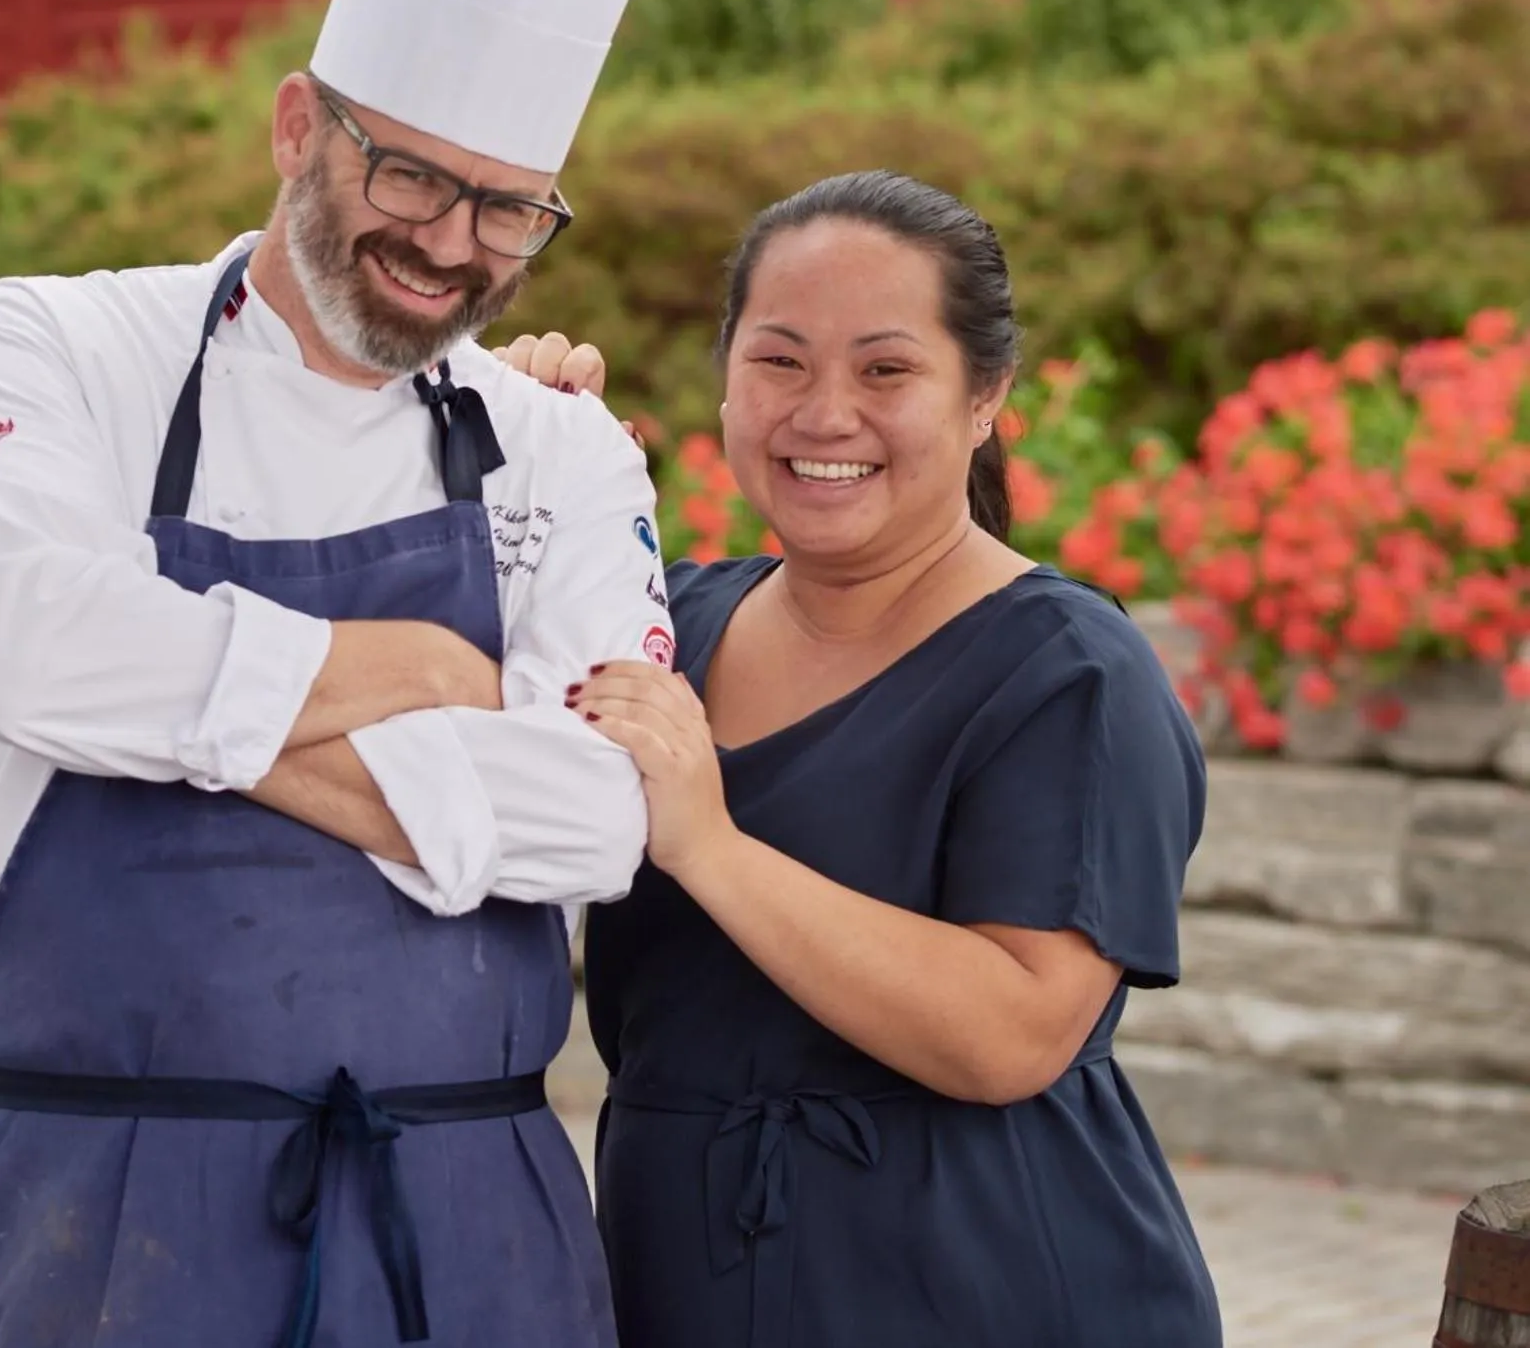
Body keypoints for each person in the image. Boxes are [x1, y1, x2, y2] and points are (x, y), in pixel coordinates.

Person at [0, 0, 677, 1348]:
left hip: (473, 1223)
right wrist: (411, 675)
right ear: (294, 125)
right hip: (109, 1216)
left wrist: (189, 723)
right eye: (408, 175)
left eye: (511, 211)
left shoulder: (558, 447)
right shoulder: (59, 346)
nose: (454, 246)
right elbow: (31, 647)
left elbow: (603, 807)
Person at [509, 170, 1222, 1347]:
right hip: (680, 1275)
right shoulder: (664, 625)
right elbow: (445, 686)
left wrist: (708, 844)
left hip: (980, 1290)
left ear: (983, 395)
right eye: (778, 362)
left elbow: (1011, 1033)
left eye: (884, 370)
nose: (822, 413)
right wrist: (508, 443)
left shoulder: (1065, 670)